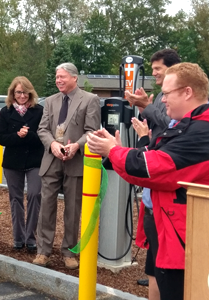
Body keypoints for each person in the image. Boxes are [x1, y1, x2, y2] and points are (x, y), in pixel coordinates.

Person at [87, 62, 209, 300]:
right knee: (160, 280)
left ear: (187, 92)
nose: (162, 100)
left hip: (183, 236)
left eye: (166, 93)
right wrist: (119, 151)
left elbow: (153, 169)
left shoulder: (200, 131)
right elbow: (149, 165)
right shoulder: (188, 126)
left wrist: (113, 151)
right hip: (169, 227)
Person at [32, 62, 101, 269]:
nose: (58, 80)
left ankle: (69, 252)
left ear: (74, 78)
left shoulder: (90, 100)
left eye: (62, 77)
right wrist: (52, 144)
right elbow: (42, 129)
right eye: (56, 77)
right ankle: (43, 251)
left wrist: (76, 147)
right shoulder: (51, 101)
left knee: (72, 209)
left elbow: (91, 130)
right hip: (52, 159)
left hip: (75, 161)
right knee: (46, 207)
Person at [126, 48, 180, 300]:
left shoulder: (176, 103)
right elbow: (158, 125)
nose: (154, 73)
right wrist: (142, 117)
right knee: (155, 257)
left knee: (166, 260)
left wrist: (146, 106)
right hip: (152, 188)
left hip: (166, 188)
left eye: (158, 68)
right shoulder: (160, 95)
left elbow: (170, 124)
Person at [0, 76, 44, 253]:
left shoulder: (39, 111)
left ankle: (30, 236)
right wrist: (18, 136)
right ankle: (18, 237)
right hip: (12, 162)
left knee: (34, 195)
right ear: (12, 93)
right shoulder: (5, 111)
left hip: (34, 161)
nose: (22, 96)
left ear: (30, 93)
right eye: (18, 92)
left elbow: (43, 137)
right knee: (15, 199)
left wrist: (29, 135)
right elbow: (1, 138)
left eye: (25, 92)